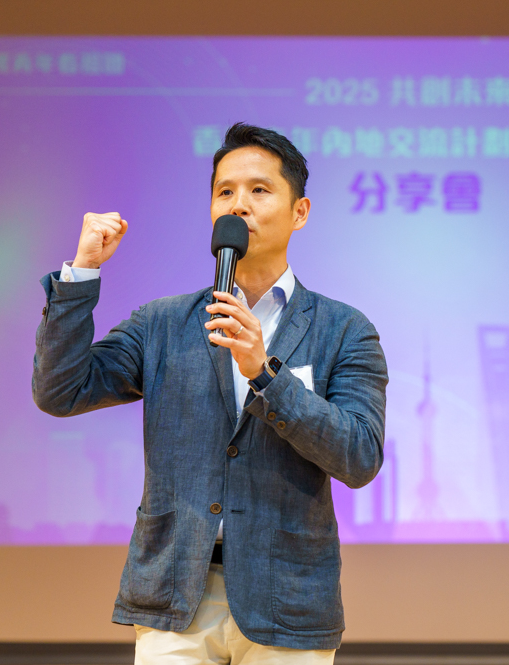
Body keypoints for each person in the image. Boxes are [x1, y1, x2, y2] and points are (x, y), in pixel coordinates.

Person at [32, 123, 388, 665]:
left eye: (259, 190)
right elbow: (60, 390)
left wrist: (266, 375)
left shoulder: (344, 330)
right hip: (174, 595)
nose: (238, 205)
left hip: (287, 603)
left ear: (300, 212)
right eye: (225, 192)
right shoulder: (163, 323)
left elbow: (360, 456)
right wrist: (82, 272)